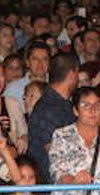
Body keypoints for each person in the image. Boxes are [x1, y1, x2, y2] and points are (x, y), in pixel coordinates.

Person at [26, 51, 79, 180]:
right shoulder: (48, 107)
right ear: (72, 74)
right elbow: (54, 151)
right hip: (51, 185)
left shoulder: (64, 104)